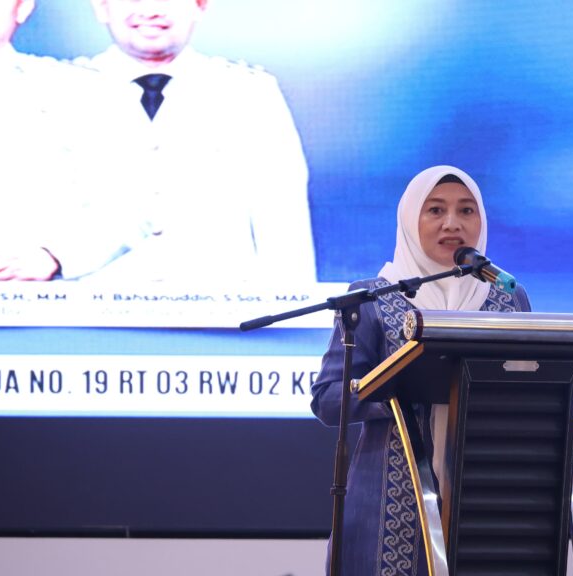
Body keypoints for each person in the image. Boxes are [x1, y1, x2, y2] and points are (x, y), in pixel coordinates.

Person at [310, 165, 531, 575]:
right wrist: (397, 391)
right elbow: (327, 399)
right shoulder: (371, 298)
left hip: (487, 496)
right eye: (436, 210)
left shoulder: (507, 299)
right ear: (411, 219)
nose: (452, 223)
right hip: (390, 504)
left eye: (466, 210)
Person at [79, 0, 315, 284]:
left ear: (200, 5)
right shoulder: (64, 89)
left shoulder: (248, 91)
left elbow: (282, 214)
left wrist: (295, 304)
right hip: (94, 299)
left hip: (221, 301)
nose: (150, 10)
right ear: (101, 7)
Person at [0, 0, 126, 280]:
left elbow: (129, 203)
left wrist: (56, 256)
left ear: (23, 7)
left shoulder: (84, 91)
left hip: (36, 301)